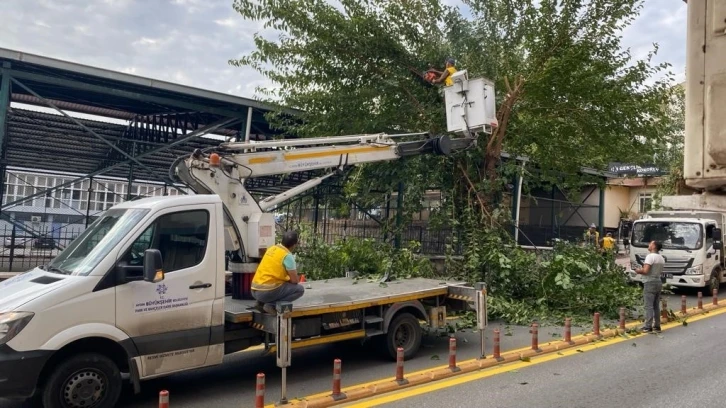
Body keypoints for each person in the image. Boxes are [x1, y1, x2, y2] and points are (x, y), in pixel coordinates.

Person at [251, 231, 305, 314]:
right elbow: (295, 281)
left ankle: (260, 303)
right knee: (299, 290)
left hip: (254, 290)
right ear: (294, 245)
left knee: (278, 283)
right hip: (266, 293)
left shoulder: (272, 248)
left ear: (282, 240)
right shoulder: (287, 256)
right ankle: (271, 305)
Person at [634, 240, 665, 333]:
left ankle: (648, 326)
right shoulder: (661, 258)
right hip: (658, 282)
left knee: (648, 306)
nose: (649, 245)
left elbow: (646, 271)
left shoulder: (650, 257)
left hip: (649, 282)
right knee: (656, 305)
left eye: (650, 243)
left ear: (654, 246)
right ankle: (657, 326)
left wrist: (638, 270)